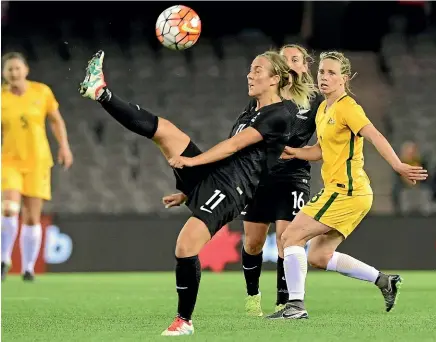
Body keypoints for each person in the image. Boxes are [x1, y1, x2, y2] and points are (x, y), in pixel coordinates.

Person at [79, 50, 314, 335]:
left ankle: (184, 321)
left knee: (185, 245)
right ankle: (101, 92)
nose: (249, 75)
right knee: (164, 130)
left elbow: (233, 146)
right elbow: (231, 152)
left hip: (232, 188)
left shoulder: (281, 114)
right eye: (250, 69)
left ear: (275, 79)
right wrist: (190, 192)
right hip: (217, 176)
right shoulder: (252, 110)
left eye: (257, 70)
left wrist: (192, 162)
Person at [266, 51, 428, 320]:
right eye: (322, 73)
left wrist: (398, 165)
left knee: (290, 237)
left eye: (331, 73)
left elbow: (373, 134)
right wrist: (294, 152)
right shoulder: (323, 109)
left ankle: (295, 306)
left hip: (347, 191)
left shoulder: (348, 107)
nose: (324, 77)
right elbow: (320, 150)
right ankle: (384, 281)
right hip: (340, 191)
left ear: (345, 78)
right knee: (319, 256)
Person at [162, 44, 321, 317]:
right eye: (285, 60)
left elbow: (325, 145)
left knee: (288, 239)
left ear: (305, 65)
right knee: (252, 243)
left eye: (296, 59)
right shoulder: (265, 100)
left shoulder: (316, 101)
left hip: (293, 177)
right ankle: (252, 296)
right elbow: (237, 141)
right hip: (258, 178)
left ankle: (286, 303)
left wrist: (296, 152)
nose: (290, 63)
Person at [1, 52, 73, 282]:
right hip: (9, 161)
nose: (13, 73)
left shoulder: (41, 92)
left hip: (38, 161)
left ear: (26, 70)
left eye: (17, 68)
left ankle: (28, 268)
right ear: (4, 73)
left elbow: (56, 120)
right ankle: (4, 259)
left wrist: (64, 147)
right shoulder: (2, 98)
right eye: (9, 69)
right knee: (9, 208)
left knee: (32, 218)